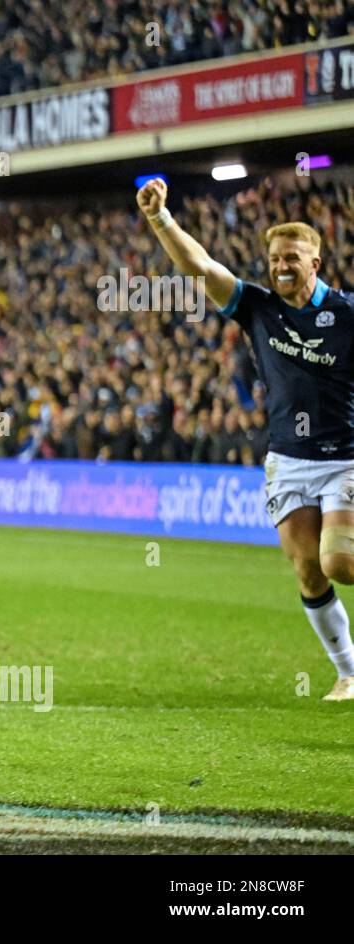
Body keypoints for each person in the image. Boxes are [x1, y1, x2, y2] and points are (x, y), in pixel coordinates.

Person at [139, 177, 354, 701]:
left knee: (339, 561)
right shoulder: (258, 307)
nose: (281, 266)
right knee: (307, 568)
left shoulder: (347, 315)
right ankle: (348, 673)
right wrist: (161, 219)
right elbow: (201, 267)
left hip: (344, 455)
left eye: (292, 258)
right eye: (276, 257)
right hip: (288, 457)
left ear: (315, 264)